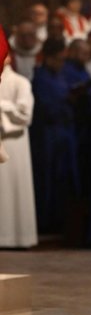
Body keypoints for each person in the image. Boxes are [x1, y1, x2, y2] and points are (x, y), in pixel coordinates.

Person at [29, 36, 79, 238]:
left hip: (65, 133)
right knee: (47, 177)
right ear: (48, 58)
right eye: (58, 59)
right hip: (47, 136)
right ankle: (47, 221)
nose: (61, 63)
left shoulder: (61, 75)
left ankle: (62, 219)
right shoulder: (40, 78)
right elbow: (45, 106)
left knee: (65, 177)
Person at [0, 49, 38, 248]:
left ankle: (19, 237)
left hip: (13, 142)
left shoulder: (20, 82)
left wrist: (3, 108)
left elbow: (25, 115)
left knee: (14, 189)